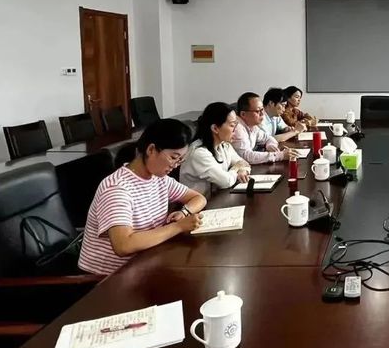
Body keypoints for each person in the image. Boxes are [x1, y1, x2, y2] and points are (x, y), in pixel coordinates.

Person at [78, 119, 206, 276]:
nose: (175, 165)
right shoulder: (117, 188)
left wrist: (184, 212)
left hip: (145, 262)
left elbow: (198, 198)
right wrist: (178, 227)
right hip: (108, 278)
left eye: (180, 160)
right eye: (173, 157)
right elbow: (123, 245)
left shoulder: (159, 178)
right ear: (151, 150)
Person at [180, 102, 251, 195]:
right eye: (232, 125)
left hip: (217, 198)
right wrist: (236, 168)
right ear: (215, 128)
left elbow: (243, 163)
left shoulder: (224, 145)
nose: (235, 130)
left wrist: (242, 170)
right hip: (199, 202)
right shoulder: (199, 152)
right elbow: (226, 181)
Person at [232, 92, 294, 164]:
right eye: (258, 111)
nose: (262, 114)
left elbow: (269, 138)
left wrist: (270, 146)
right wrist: (280, 155)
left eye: (262, 110)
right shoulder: (237, 127)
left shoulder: (253, 125)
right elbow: (246, 156)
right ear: (243, 114)